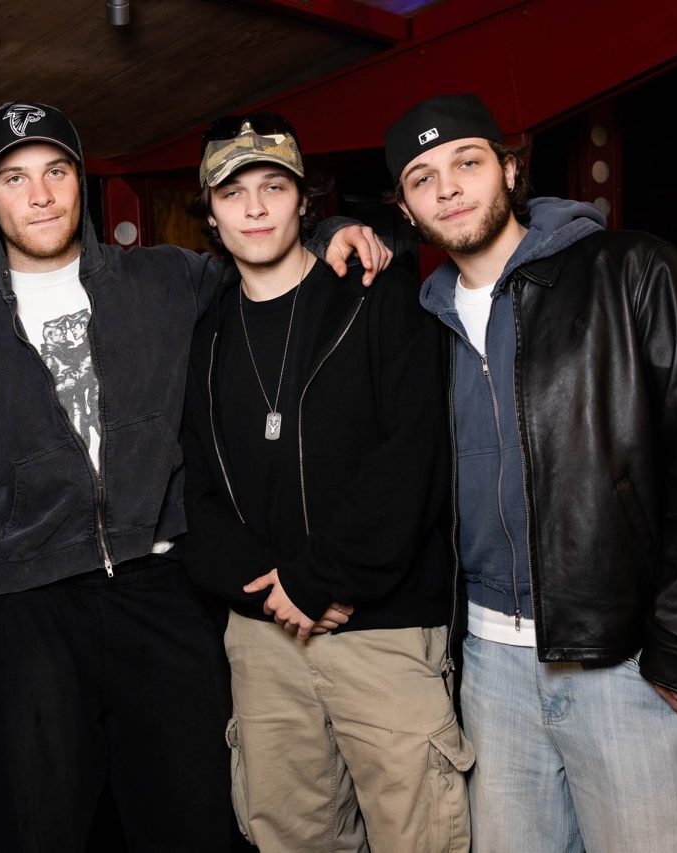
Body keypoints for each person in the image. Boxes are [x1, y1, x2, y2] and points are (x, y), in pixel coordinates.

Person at [0, 101, 389, 851]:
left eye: (56, 171)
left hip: (163, 590)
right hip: (32, 608)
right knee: (36, 829)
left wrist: (328, 232)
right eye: (14, 178)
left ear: (81, 182)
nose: (40, 195)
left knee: (193, 822)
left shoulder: (169, 279)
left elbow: (264, 260)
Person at [384, 93, 677, 852]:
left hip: (626, 658)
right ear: (405, 208)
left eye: (466, 162)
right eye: (422, 178)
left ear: (509, 169)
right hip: (488, 665)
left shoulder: (629, 269)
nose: (448, 188)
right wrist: (334, 232)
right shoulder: (422, 322)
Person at [174, 114, 472, 852]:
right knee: (289, 836)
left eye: (273, 187)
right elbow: (193, 491)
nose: (254, 208)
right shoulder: (204, 334)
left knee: (420, 837)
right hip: (264, 637)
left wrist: (320, 579)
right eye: (232, 192)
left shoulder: (378, 296)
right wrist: (267, 589)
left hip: (383, 632)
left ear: (305, 201)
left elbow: (415, 458)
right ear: (210, 213)